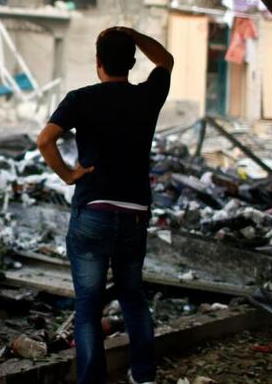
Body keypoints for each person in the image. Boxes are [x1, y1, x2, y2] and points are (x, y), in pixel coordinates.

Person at [37, 27, 173, 384]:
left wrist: (68, 175)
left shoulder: (81, 99)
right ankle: (144, 376)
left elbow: (45, 140)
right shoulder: (148, 95)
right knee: (133, 298)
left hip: (92, 211)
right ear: (132, 62)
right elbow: (165, 59)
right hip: (134, 215)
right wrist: (131, 33)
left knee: (88, 307)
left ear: (98, 62)